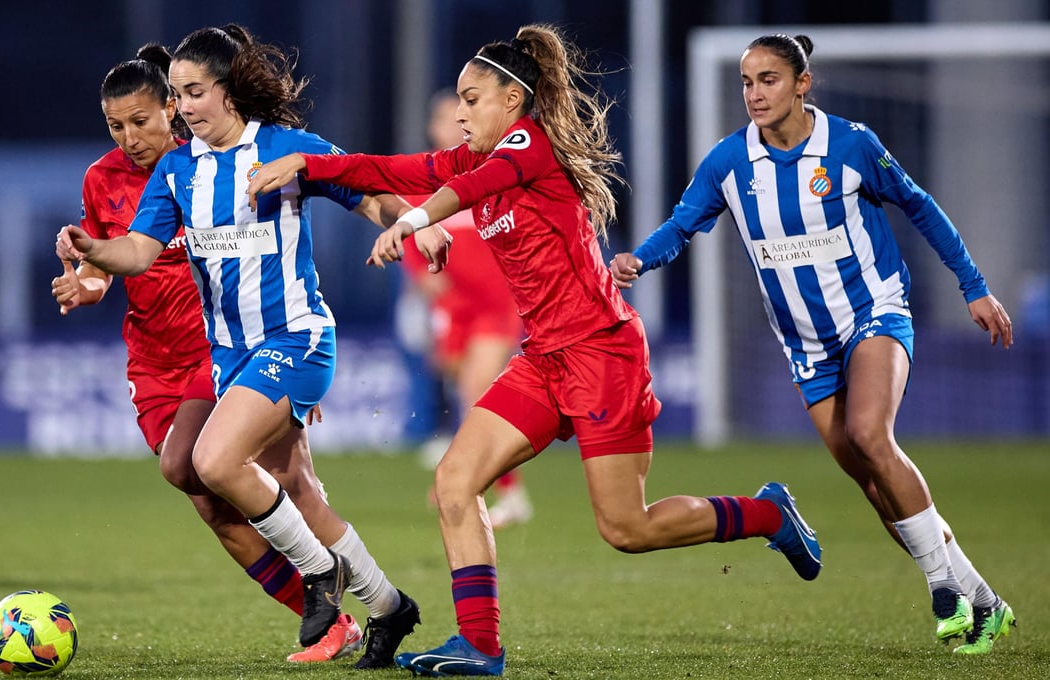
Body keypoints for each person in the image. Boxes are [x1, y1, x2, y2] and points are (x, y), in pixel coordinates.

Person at [247, 23, 822, 676]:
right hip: (545, 358)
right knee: (455, 481)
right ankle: (480, 647)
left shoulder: (527, 143)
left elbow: (458, 192)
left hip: (602, 353)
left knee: (626, 529)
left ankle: (767, 513)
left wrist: (410, 221)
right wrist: (312, 166)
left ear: (512, 101)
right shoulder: (481, 158)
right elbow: (395, 169)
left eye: (472, 100)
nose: (461, 114)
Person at [609, 34, 1016, 655]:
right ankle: (984, 600)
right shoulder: (730, 161)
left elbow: (920, 206)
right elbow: (682, 224)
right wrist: (640, 259)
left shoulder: (850, 145)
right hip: (806, 345)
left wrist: (975, 287)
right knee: (874, 483)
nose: (754, 94)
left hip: (874, 313)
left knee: (871, 435)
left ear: (802, 83)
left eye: (768, 79)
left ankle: (943, 590)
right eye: (747, 82)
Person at [54, 25, 420, 669]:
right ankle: (390, 607)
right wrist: (93, 252)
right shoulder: (177, 171)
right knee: (296, 492)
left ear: (228, 89)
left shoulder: (283, 147)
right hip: (230, 357)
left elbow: (365, 191)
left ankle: (319, 575)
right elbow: (136, 252)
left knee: (212, 461)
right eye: (179, 94)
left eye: (194, 93)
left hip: (295, 338)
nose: (184, 107)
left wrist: (417, 223)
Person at [402, 88, 531, 528]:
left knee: (479, 390)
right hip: (454, 309)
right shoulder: (425, 181)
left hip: (496, 305)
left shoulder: (492, 170)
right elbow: (412, 239)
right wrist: (425, 282)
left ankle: (477, 482)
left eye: (460, 115)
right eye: (445, 118)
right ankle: (492, 484)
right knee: (467, 393)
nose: (455, 124)